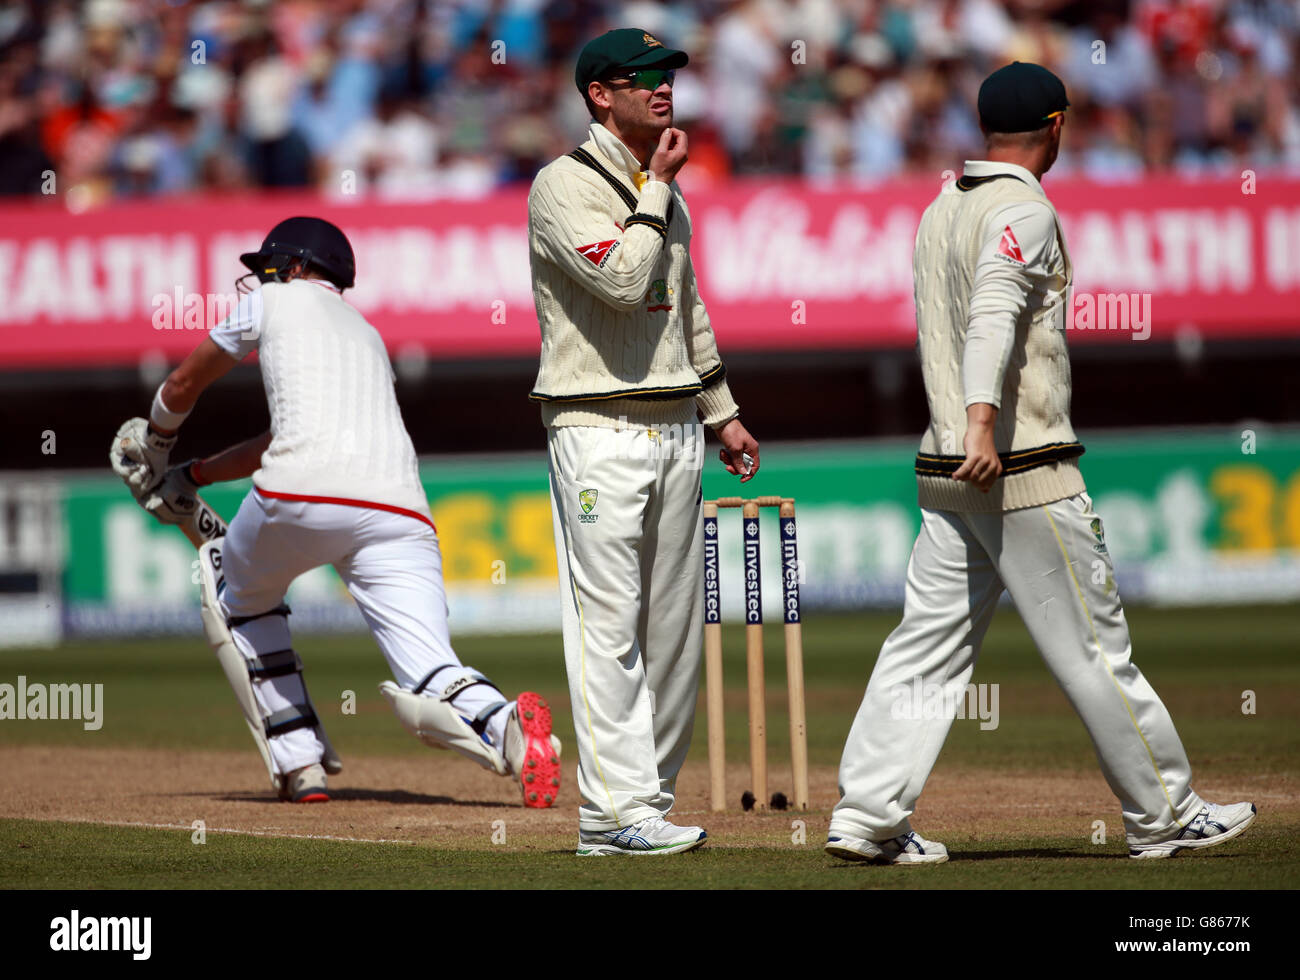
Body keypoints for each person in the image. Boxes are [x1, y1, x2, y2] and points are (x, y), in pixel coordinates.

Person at [826, 63, 1256, 864]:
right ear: (1054, 128)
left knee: (924, 646)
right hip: (1018, 465)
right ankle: (1164, 813)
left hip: (947, 467)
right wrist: (987, 424)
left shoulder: (938, 206)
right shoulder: (1024, 208)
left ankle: (867, 815)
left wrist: (965, 434)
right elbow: (992, 314)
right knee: (1094, 649)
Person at [110, 216, 561, 807]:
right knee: (430, 666)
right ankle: (509, 730)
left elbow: (182, 382)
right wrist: (194, 476)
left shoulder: (274, 300)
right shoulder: (367, 333)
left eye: (270, 267)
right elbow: (279, 439)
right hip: (401, 512)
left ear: (295, 267)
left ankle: (300, 761)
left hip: (300, 495)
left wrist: (158, 446)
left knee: (231, 592)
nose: (262, 278)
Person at [527, 29, 760, 856]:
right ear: (600, 93)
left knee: (672, 633)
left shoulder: (666, 192)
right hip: (596, 424)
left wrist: (721, 410)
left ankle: (645, 804)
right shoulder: (562, 185)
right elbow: (624, 284)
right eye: (646, 78)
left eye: (671, 77)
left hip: (674, 424)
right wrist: (656, 188)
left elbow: (685, 309)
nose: (665, 89)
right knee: (609, 630)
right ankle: (610, 812)